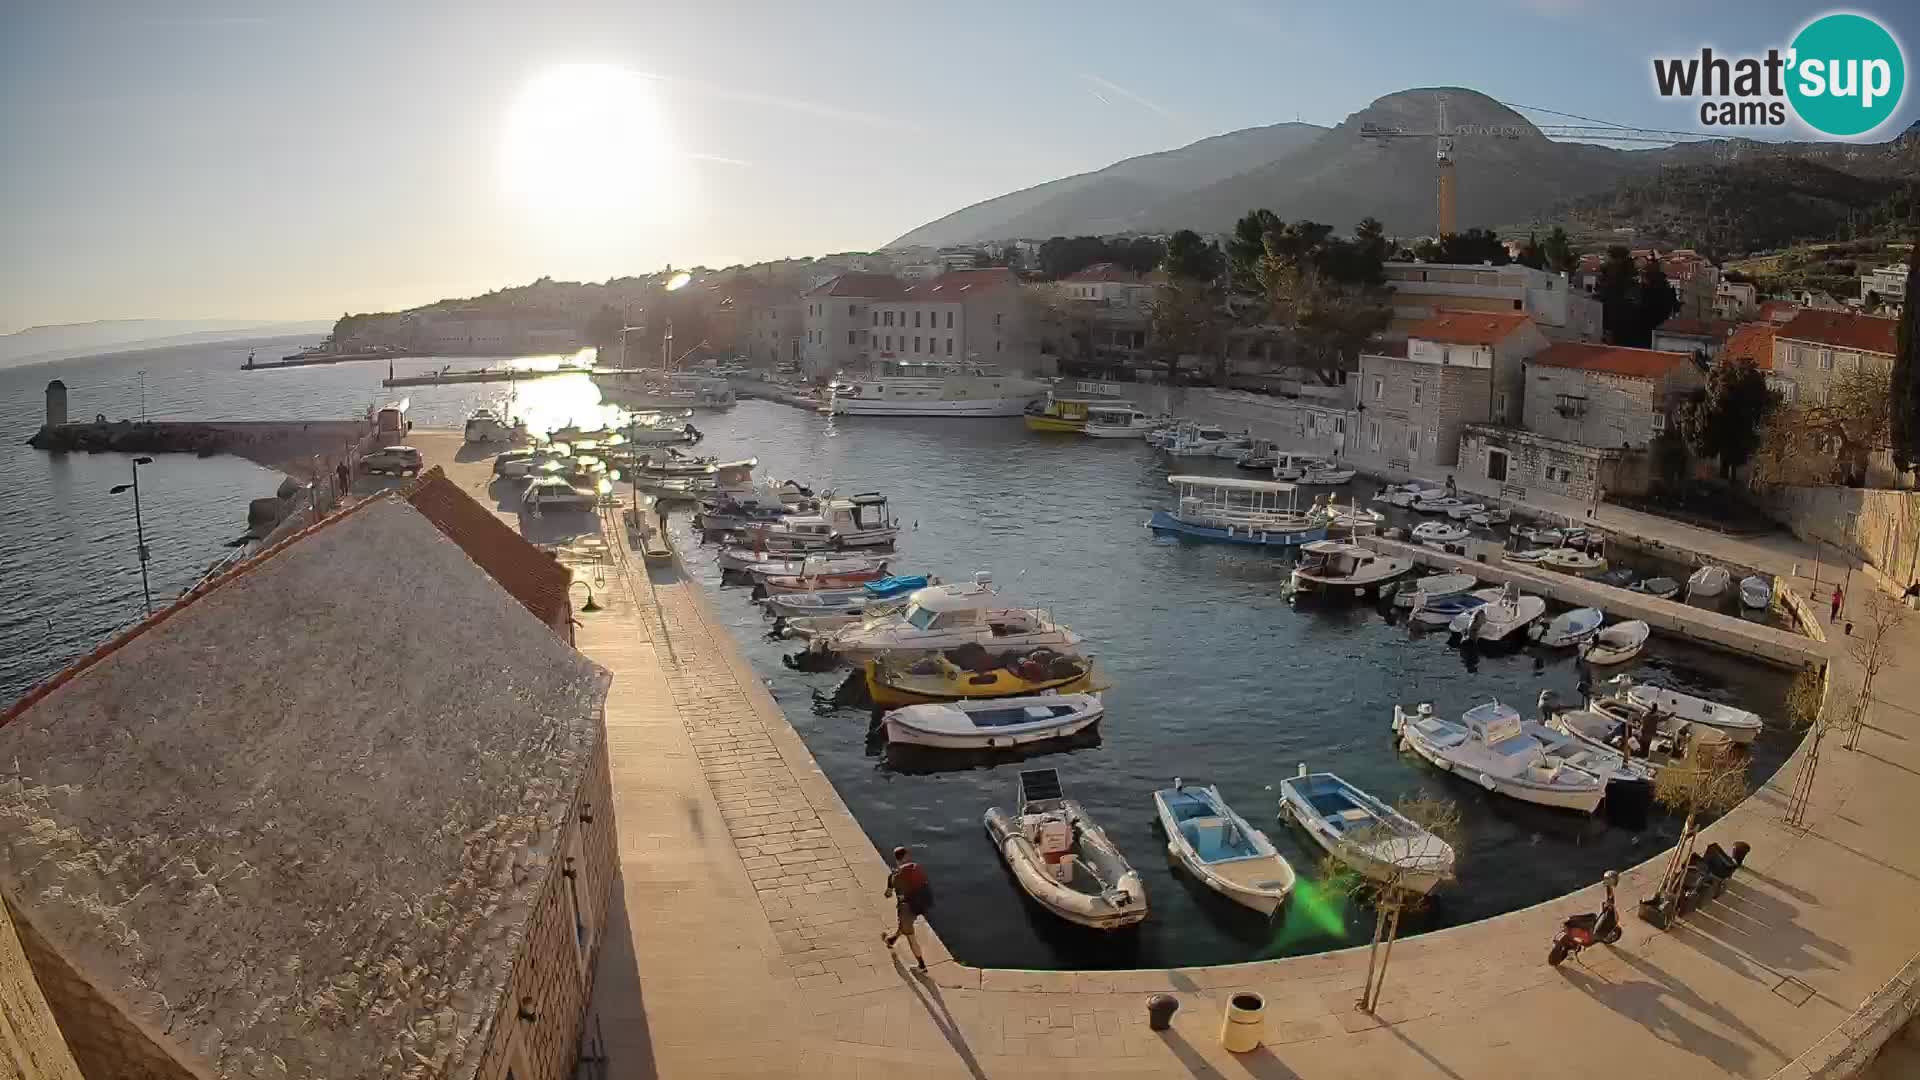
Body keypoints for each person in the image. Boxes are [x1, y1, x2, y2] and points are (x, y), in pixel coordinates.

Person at [882, 845, 932, 971]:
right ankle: (891, 940)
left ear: (896, 859)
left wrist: (891, 887)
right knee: (904, 925)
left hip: (905, 908)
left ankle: (922, 965)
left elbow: (888, 894)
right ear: (907, 856)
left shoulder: (894, 875)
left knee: (910, 937)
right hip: (919, 904)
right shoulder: (916, 867)